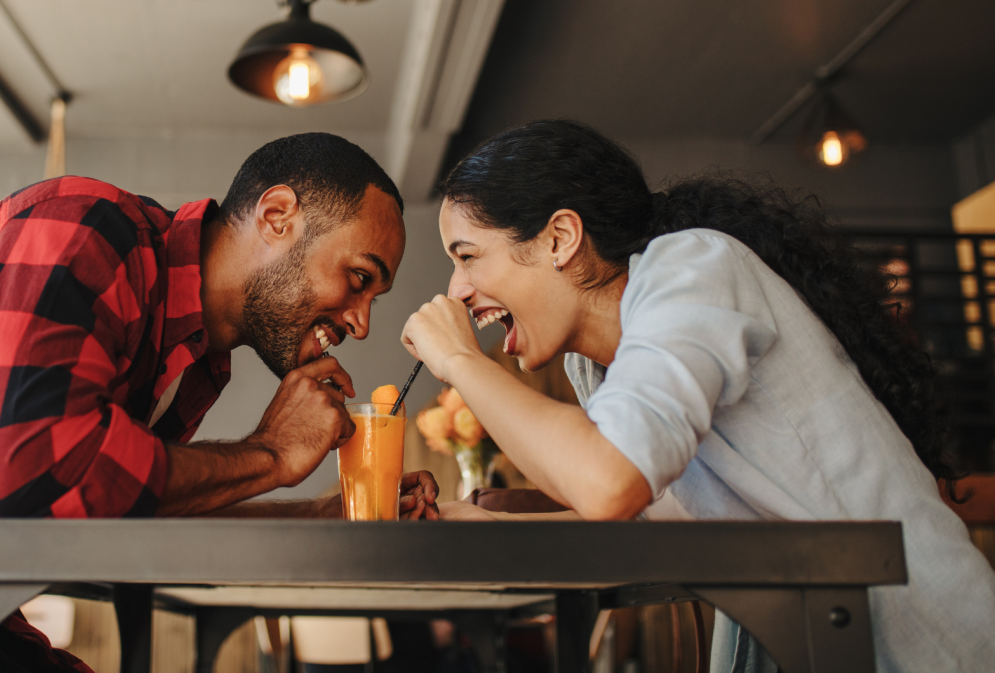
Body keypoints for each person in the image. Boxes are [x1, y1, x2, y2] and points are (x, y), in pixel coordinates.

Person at [0, 132, 438, 672]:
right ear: (277, 217)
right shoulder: (83, 225)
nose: (361, 324)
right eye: (359, 279)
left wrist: (324, 516)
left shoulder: (194, 359)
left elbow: (128, 510)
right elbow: (33, 471)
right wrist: (269, 455)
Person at [401, 119, 995, 672]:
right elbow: (641, 524)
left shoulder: (694, 270)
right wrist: (479, 522)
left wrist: (457, 359)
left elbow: (609, 485)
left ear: (560, 237)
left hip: (928, 646)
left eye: (468, 257)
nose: (457, 290)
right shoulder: (596, 368)